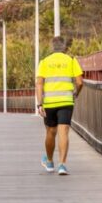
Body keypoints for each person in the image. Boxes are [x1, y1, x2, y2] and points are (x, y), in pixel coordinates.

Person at [36, 36, 83, 175]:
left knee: (51, 132)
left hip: (49, 102)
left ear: (52, 47)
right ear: (64, 47)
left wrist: (39, 103)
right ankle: (62, 165)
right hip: (66, 101)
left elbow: (39, 84)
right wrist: (75, 93)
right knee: (64, 132)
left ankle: (50, 162)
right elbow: (80, 82)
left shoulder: (44, 62)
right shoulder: (71, 60)